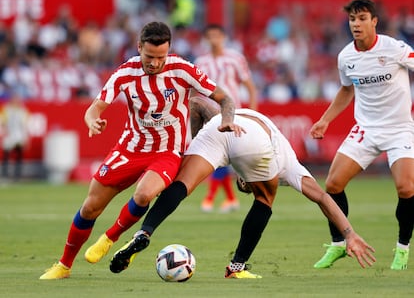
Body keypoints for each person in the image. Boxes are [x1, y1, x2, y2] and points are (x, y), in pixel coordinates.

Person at [39, 21, 242, 280]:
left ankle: (110, 238)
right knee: (90, 207)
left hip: (167, 150)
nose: (155, 63)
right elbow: (95, 108)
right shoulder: (125, 73)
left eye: (160, 57)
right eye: (149, 57)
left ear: (168, 51)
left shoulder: (183, 69)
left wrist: (227, 119)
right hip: (130, 147)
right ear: (138, 48)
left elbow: (225, 98)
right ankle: (64, 265)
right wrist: (92, 120)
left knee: (145, 194)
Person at [108, 95, 376, 279]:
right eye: (245, 182)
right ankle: (236, 266)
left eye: (243, 182)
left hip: (223, 126)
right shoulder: (290, 166)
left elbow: (197, 104)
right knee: (265, 200)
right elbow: (322, 198)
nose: (244, 181)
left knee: (182, 185)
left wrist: (191, 141)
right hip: (251, 139)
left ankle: (146, 230)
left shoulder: (279, 166)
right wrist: (349, 233)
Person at [309, 0, 414, 270]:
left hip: (399, 128)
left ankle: (402, 249)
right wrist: (325, 120)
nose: (356, 24)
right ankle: (338, 245)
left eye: (362, 18)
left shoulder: (395, 49)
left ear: (374, 21)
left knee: (406, 187)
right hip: (366, 129)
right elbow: (346, 90)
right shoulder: (346, 57)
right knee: (332, 185)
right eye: (352, 19)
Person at [195, 23, 258, 213]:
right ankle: (230, 198)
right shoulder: (201, 62)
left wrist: (253, 113)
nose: (214, 40)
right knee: (221, 156)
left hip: (233, 113)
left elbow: (250, 87)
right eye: (210, 36)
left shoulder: (235, 59)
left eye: (217, 36)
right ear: (206, 39)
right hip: (209, 115)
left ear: (223, 37)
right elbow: (195, 90)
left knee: (226, 155)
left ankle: (211, 198)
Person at [0, 93, 30, 181]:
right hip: (9, 135)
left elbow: (25, 125)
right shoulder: (6, 110)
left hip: (19, 135)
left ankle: (17, 174)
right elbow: (2, 122)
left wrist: (26, 138)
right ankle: (5, 173)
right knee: (6, 154)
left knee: (19, 154)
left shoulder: (22, 111)